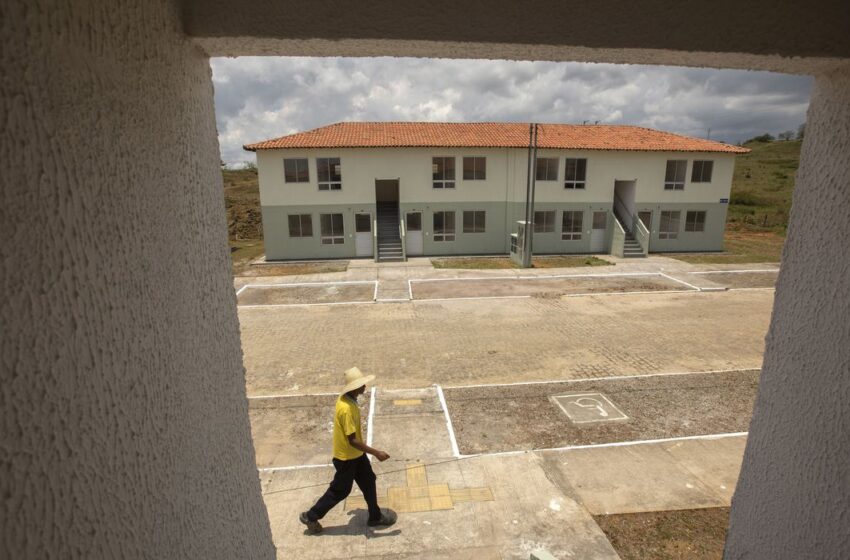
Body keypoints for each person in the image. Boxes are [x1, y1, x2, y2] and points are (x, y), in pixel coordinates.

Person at [299, 367, 396, 534]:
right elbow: (352, 441)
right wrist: (376, 453)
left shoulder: (348, 399)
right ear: (354, 388)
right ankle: (311, 516)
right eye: (362, 384)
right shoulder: (346, 409)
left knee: (368, 481)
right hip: (346, 458)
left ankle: (375, 516)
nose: (365, 387)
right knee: (340, 490)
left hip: (356, 456)